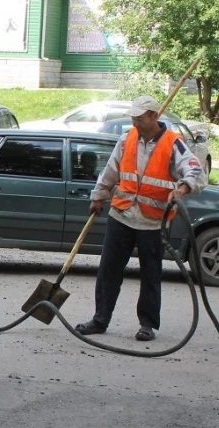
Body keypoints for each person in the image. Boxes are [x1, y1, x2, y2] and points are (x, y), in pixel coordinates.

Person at [75, 95, 207, 341]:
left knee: (150, 274)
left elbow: (196, 171)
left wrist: (182, 188)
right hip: (122, 214)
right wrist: (99, 194)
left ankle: (147, 325)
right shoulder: (127, 139)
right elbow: (111, 170)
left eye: (139, 118)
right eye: (133, 117)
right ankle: (100, 319)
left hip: (153, 221)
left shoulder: (173, 143)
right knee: (108, 270)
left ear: (154, 116)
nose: (135, 122)